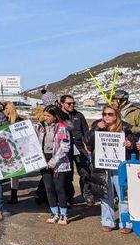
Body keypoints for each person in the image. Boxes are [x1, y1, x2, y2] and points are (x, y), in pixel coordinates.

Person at [84, 105, 136, 233]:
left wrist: (130, 144)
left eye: (110, 114)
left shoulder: (126, 127)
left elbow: (134, 143)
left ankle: (126, 223)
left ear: (116, 115)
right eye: (104, 114)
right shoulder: (97, 125)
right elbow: (87, 141)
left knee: (123, 195)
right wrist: (97, 128)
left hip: (120, 166)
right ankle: (108, 221)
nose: (106, 116)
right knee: (105, 194)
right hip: (102, 167)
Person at [35, 105, 72, 226]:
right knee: (48, 188)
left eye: (48, 116)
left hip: (58, 161)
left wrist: (53, 162)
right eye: (44, 115)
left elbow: (65, 147)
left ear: (55, 116)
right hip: (43, 159)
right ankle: (54, 213)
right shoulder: (40, 127)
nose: (45, 118)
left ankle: (63, 214)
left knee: (59, 188)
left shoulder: (62, 127)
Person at [59, 94, 89, 204]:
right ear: (62, 103)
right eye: (69, 103)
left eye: (73, 103)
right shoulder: (58, 116)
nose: (72, 105)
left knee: (85, 172)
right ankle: (69, 197)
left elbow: (86, 131)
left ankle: (86, 194)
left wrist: (88, 145)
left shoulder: (79, 115)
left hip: (79, 147)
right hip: (65, 149)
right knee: (67, 174)